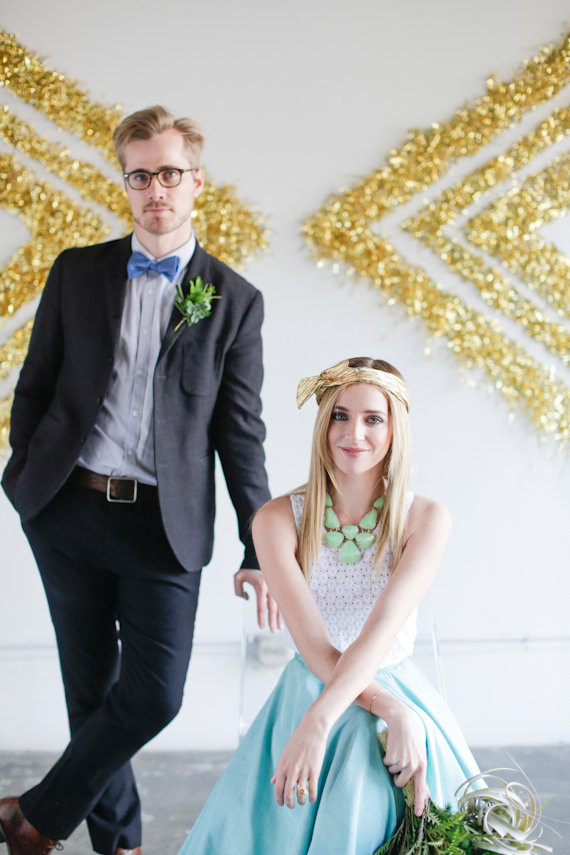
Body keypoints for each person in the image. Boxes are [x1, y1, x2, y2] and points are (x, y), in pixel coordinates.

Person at [0, 105, 277, 855]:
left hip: (164, 526)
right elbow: (35, 386)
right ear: (125, 182)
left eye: (170, 174)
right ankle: (121, 846)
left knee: (154, 694)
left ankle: (33, 815)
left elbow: (240, 434)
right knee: (90, 690)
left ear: (197, 182)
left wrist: (258, 546)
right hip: (67, 509)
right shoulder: (76, 271)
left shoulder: (234, 300)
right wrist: (28, 481)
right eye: (141, 175)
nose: (156, 189)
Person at [178, 357, 479, 855]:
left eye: (373, 418)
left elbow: (379, 631)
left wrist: (393, 711)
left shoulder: (426, 518)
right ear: (322, 423)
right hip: (310, 688)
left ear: (395, 429)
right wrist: (354, 715)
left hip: (389, 678)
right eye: (340, 415)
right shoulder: (275, 520)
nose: (353, 433)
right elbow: (315, 645)